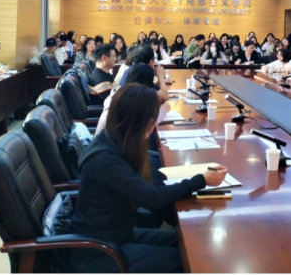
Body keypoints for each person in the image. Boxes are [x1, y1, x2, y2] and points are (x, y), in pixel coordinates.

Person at [72, 84, 228, 273]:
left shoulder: (115, 140)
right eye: (152, 119)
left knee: (188, 244)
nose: (154, 124)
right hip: (100, 252)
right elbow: (152, 199)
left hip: (119, 235)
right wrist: (201, 180)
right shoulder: (105, 159)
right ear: (136, 121)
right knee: (190, 260)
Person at [101, 49, 170, 133]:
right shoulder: (130, 99)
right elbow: (143, 127)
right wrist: (163, 112)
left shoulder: (124, 91)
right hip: (114, 139)